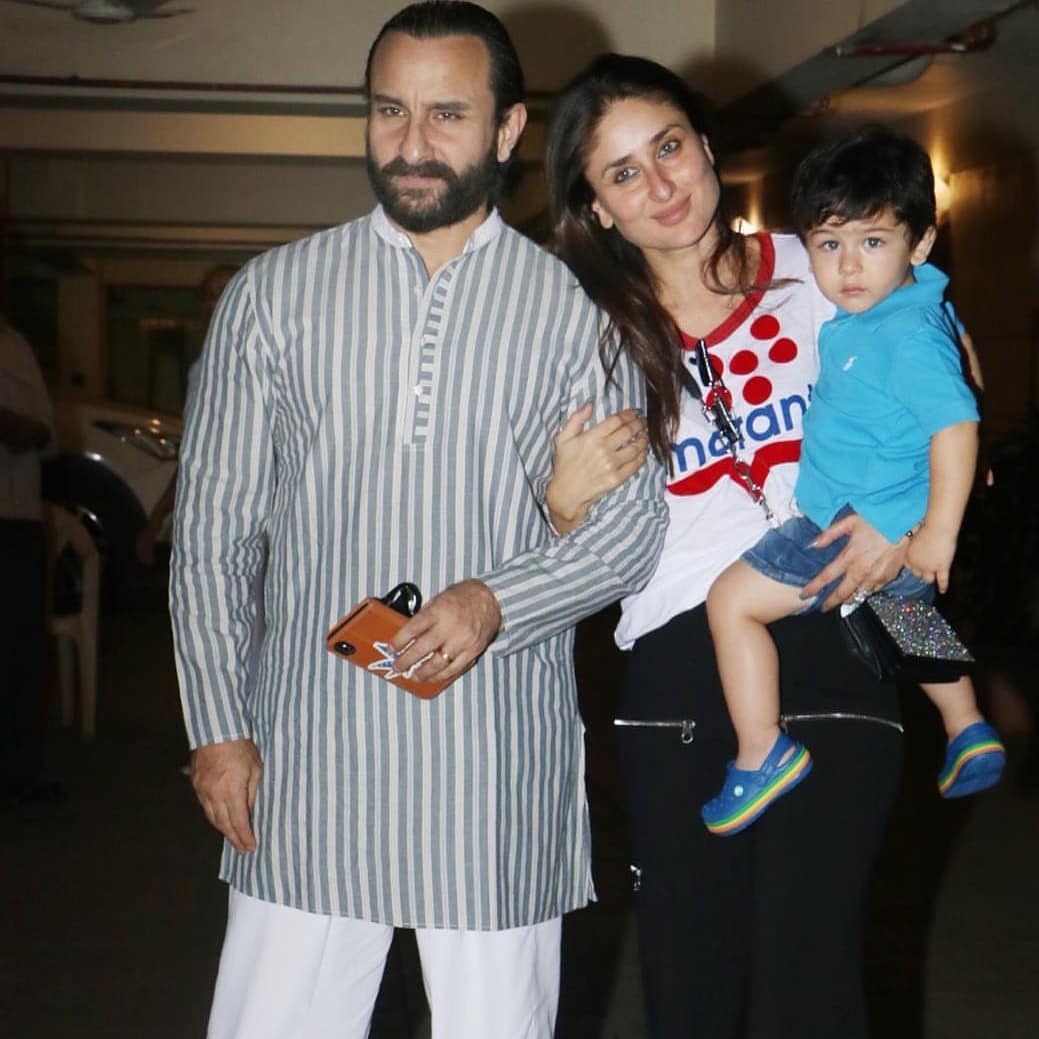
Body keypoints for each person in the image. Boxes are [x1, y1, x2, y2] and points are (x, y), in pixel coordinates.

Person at [169, 6, 666, 1039]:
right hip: (309, 755)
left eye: (446, 114)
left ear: (507, 130)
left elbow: (628, 531)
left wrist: (497, 600)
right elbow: (214, 536)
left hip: (489, 761)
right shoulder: (273, 297)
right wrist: (217, 727)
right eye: (388, 111)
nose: (411, 142)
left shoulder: (573, 312)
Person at [543, 54, 979, 1037]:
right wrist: (558, 501)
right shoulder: (581, 336)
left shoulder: (825, 260)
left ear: (705, 146)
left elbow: (953, 402)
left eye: (666, 148)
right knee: (689, 983)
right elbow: (526, 535)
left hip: (831, 633)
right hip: (674, 670)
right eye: (621, 174)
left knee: (808, 975)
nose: (657, 185)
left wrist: (902, 523)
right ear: (597, 208)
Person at [701, 127, 1005, 835]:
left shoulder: (900, 336)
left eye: (872, 241)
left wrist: (934, 532)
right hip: (888, 523)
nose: (848, 266)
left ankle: (759, 750)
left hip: (845, 521)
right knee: (902, 612)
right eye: (828, 245)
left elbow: (957, 425)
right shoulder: (913, 304)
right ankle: (964, 724)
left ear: (920, 243)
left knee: (731, 604)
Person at [135, 264, 238, 567]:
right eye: (213, 294)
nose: (221, 301)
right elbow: (195, 452)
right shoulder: (204, 369)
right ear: (205, 305)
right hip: (220, 517)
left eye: (229, 291)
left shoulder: (277, 355)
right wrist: (157, 518)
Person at [0, 314, 54, 803]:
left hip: (15, 520)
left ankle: (18, 773)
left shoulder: (14, 343)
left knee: (19, 651)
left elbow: (42, 432)